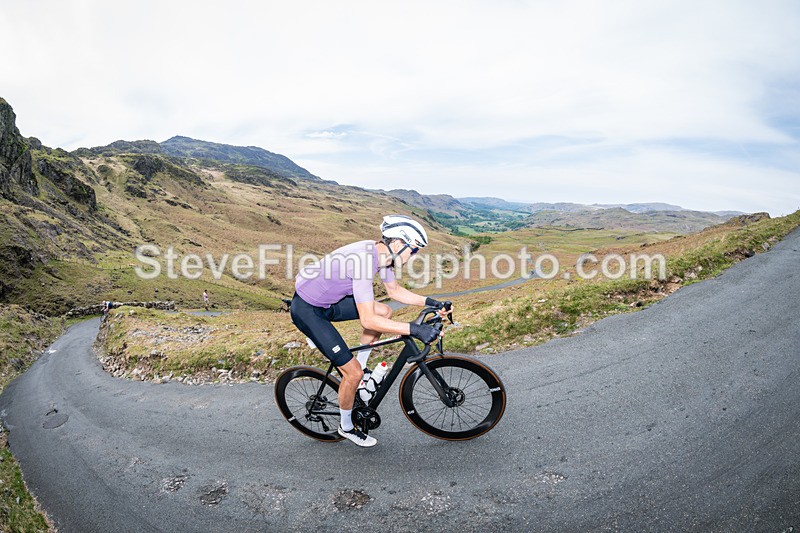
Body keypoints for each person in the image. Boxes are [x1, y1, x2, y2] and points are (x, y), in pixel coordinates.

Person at [290, 215, 451, 447]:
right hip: (308, 310)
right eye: (413, 250)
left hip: (329, 303)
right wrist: (414, 329)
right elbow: (368, 319)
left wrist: (432, 302)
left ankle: (364, 369)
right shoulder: (364, 261)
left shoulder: (383, 255)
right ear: (398, 243)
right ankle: (346, 427)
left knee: (384, 311)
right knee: (351, 374)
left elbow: (394, 291)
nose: (413, 256)